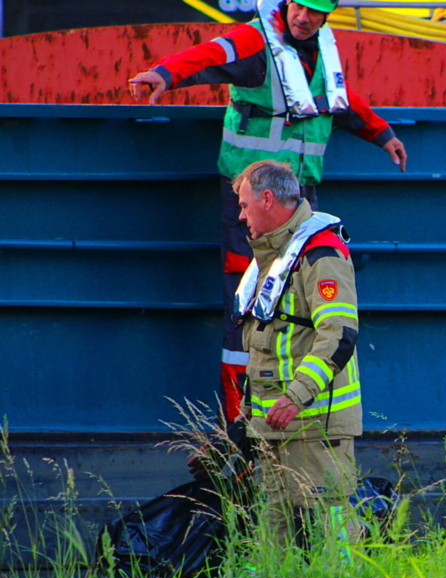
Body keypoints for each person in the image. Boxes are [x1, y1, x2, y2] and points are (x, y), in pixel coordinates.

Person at [128, 0, 407, 421]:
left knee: (297, 307)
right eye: (299, 7)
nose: (304, 18)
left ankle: (285, 414)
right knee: (247, 309)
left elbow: (338, 99)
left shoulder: (321, 49)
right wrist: (163, 75)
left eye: (315, 11)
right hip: (253, 203)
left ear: (327, 15)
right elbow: (209, 56)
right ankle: (238, 425)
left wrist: (382, 134)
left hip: (300, 198)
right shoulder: (255, 40)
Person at [232, 159, 363, 549]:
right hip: (274, 424)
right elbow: (267, 344)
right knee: (274, 528)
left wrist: (295, 395)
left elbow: (339, 335)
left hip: (315, 423)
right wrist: (246, 419)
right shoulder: (275, 256)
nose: (240, 216)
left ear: (267, 199)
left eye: (244, 205)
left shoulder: (321, 255)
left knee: (332, 523)